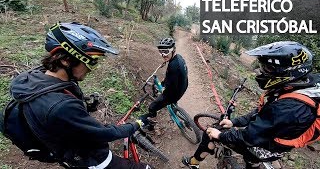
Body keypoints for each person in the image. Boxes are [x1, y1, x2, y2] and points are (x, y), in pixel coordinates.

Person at [4, 22, 151, 169]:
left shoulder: (35, 78)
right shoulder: (62, 106)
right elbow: (105, 133)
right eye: (91, 61)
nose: (91, 68)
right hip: (92, 160)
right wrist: (136, 124)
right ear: (65, 60)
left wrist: (84, 103)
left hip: (69, 151)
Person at [182, 41, 320, 169]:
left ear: (288, 71)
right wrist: (233, 122)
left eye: (268, 69)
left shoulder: (289, 107)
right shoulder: (300, 87)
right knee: (250, 159)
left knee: (210, 134)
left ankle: (194, 163)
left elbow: (249, 136)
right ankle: (252, 162)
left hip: (269, 146)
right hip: (278, 137)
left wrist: (220, 136)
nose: (262, 72)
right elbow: (265, 113)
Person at [140, 38, 188, 131]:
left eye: (165, 51)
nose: (163, 54)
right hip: (184, 85)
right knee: (165, 84)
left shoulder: (173, 67)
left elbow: (170, 88)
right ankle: (174, 105)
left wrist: (163, 91)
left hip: (175, 93)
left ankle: (151, 125)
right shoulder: (179, 58)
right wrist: (165, 82)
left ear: (173, 50)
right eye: (160, 51)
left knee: (152, 107)